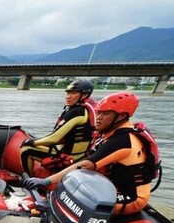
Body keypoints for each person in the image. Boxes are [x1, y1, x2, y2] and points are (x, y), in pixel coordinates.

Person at [23, 91, 157, 216]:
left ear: (121, 116)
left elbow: (85, 165)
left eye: (105, 114)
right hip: (113, 186)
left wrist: (46, 181)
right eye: (99, 113)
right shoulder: (112, 134)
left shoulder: (123, 140)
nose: (98, 118)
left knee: (68, 197)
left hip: (131, 197)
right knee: (66, 187)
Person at [19, 79, 96, 177]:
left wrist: (31, 142)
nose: (68, 97)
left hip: (71, 158)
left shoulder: (77, 112)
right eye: (68, 93)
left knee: (26, 150)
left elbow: (54, 138)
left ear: (84, 95)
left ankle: (27, 180)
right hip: (80, 156)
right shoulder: (85, 110)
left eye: (73, 93)